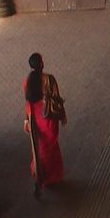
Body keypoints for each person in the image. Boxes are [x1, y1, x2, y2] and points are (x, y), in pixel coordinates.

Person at [23, 53, 66, 198]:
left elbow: (27, 102)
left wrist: (26, 120)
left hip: (34, 118)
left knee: (38, 148)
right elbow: (56, 98)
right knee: (51, 147)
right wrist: (62, 116)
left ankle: (39, 175)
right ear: (41, 64)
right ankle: (51, 176)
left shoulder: (27, 81)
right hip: (47, 119)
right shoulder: (49, 79)